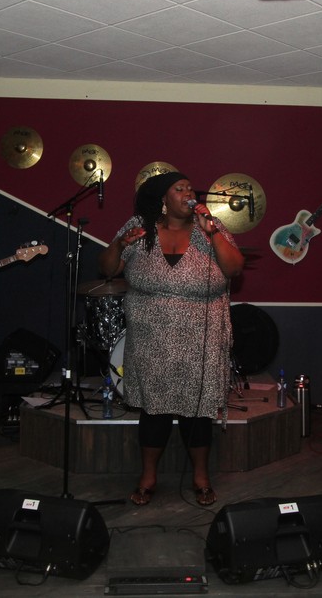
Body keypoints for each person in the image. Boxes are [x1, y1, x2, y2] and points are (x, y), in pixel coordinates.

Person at [98, 171, 243, 507]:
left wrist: (213, 232)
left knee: (198, 410)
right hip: (151, 336)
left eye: (190, 188)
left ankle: (201, 477)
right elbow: (107, 268)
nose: (189, 193)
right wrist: (120, 245)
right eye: (180, 188)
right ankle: (148, 477)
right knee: (154, 410)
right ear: (164, 199)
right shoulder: (140, 226)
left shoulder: (211, 228)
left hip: (201, 335)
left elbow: (235, 268)